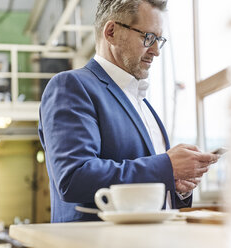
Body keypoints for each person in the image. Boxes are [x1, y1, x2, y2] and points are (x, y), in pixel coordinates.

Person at [38, 0, 219, 223]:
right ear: (112, 32)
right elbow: (74, 177)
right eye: (148, 37)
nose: (155, 51)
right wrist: (167, 166)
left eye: (159, 40)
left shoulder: (142, 103)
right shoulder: (71, 86)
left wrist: (177, 184)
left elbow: (151, 179)